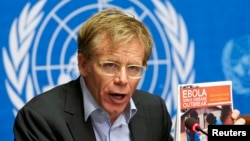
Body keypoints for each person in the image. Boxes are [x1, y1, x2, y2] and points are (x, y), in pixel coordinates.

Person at [13, 8, 245, 141]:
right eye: (110, 65)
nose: (123, 79)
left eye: (134, 68)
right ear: (83, 65)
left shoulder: (154, 109)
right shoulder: (40, 118)